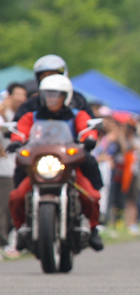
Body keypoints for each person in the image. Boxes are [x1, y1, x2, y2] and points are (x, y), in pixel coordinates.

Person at [6, 75, 104, 251]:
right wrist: (16, 141)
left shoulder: (77, 115)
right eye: (48, 95)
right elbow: (21, 131)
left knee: (91, 195)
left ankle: (93, 228)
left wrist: (89, 138)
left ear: (65, 96)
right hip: (39, 166)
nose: (52, 99)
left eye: (56, 95)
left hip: (68, 166)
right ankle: (21, 228)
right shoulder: (32, 116)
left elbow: (86, 129)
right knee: (17, 196)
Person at [0, 82, 28, 258]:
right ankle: (3, 243)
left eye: (23, 95)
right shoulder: (3, 113)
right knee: (3, 207)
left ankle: (11, 241)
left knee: (12, 206)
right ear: (9, 95)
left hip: (16, 167)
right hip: (4, 169)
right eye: (17, 94)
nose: (20, 98)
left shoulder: (22, 116)